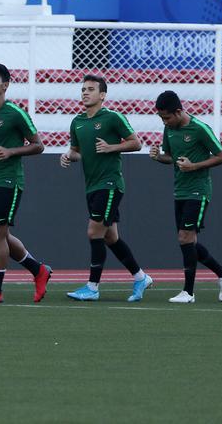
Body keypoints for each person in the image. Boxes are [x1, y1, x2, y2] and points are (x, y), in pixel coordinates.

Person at [60, 74, 153, 302]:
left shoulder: (112, 118)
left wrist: (111, 147)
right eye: (83, 89)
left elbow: (136, 143)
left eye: (90, 89)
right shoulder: (77, 122)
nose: (85, 92)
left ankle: (92, 287)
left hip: (110, 184)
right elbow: (78, 151)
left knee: (94, 231)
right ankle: (141, 277)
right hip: (92, 185)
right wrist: (68, 155)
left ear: (102, 95)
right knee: (110, 237)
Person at [0, 62, 52, 304]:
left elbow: (39, 145)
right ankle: (39, 270)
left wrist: (11, 151)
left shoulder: (15, 113)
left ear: (5, 85)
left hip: (10, 180)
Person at [150, 90, 222, 304]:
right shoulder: (168, 129)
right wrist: (158, 157)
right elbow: (170, 157)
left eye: (167, 117)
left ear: (178, 112)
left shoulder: (199, 129)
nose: (165, 121)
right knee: (188, 240)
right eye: (161, 118)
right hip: (180, 190)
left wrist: (194, 166)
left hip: (198, 190)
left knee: (185, 238)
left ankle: (188, 292)